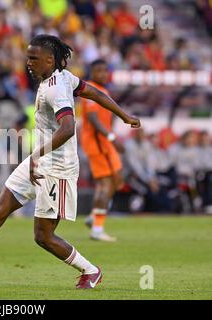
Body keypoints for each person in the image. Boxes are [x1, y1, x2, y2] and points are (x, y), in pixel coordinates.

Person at [0, 35, 140, 289]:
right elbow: (93, 92)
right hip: (38, 160)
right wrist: (125, 115)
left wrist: (37, 155)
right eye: (27, 57)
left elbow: (68, 128)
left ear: (50, 59)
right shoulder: (61, 79)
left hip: (57, 168)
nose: (28, 63)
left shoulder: (57, 88)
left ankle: (90, 271)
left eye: (33, 58)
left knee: (43, 237)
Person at [80, 59, 125, 242]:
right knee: (105, 184)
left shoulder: (104, 90)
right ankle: (97, 229)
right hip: (98, 143)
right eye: (98, 70)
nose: (103, 74)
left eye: (105, 71)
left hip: (105, 142)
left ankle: (94, 216)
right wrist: (112, 138)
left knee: (118, 178)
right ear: (91, 72)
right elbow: (93, 119)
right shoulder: (90, 88)